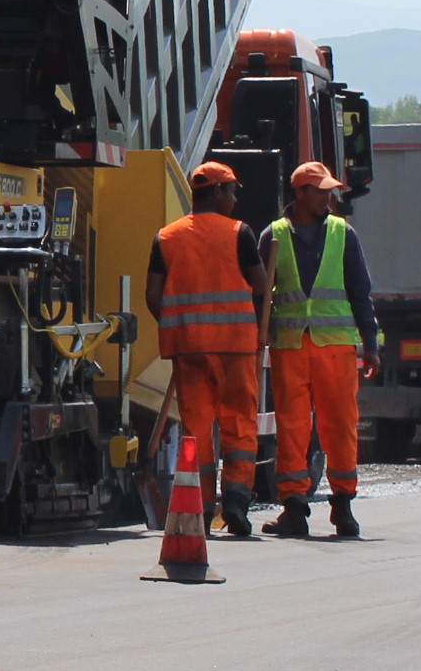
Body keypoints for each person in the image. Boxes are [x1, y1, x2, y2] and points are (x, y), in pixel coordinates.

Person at [147, 162, 270, 539]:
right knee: (239, 424)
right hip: (235, 348)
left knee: (196, 429)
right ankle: (235, 498)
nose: (234, 199)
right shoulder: (240, 233)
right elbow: (261, 284)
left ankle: (198, 506)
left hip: (188, 350)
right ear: (216, 192)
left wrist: (180, 325)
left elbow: (153, 296)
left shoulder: (165, 237)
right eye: (232, 191)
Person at [262, 161, 383, 538]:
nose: (330, 197)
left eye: (331, 190)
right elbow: (260, 295)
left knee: (340, 424)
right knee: (293, 426)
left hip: (335, 347)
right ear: (300, 194)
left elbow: (360, 291)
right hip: (291, 346)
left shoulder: (343, 234)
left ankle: (343, 505)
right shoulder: (273, 236)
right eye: (322, 191)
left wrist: (371, 343)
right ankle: (294, 508)